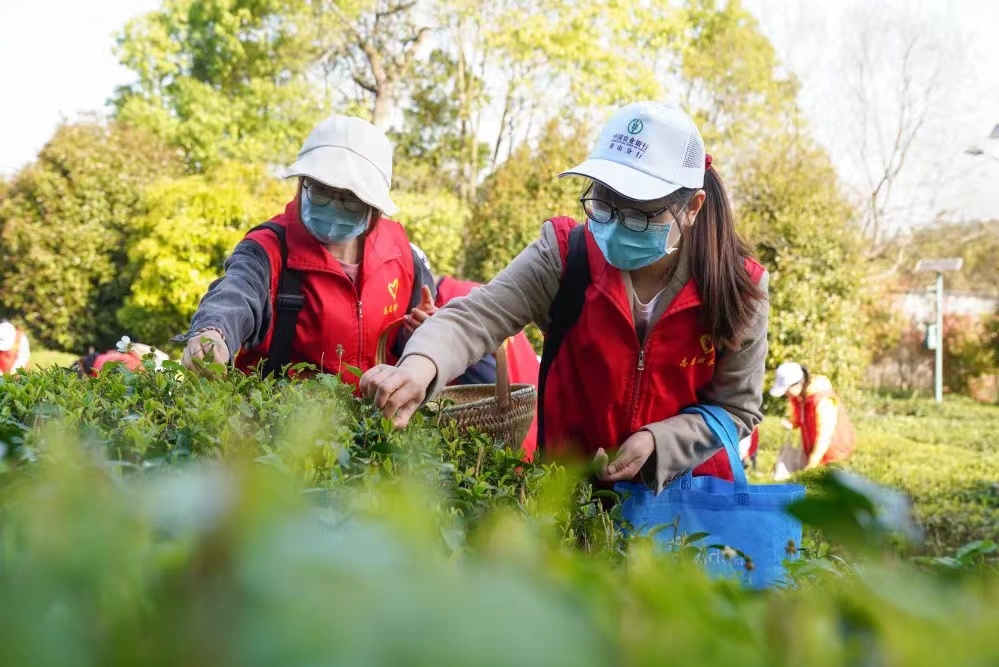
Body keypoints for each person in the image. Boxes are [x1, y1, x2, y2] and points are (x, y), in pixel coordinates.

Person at [360, 102, 769, 492]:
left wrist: (661, 442)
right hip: (571, 495)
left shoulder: (738, 287)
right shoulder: (566, 254)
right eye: (605, 202)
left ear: (692, 206)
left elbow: (737, 409)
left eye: (640, 212)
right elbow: (478, 316)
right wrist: (418, 366)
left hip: (685, 505)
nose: (616, 223)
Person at [175, 114, 460, 387]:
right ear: (302, 185)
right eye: (321, 191)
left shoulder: (404, 258)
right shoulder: (269, 249)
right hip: (278, 427)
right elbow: (234, 294)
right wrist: (213, 331)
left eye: (350, 199)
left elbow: (409, 353)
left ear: (373, 206)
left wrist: (421, 334)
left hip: (373, 429)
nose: (334, 206)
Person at [416, 269, 542, 459]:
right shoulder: (472, 294)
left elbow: (485, 396)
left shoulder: (452, 307)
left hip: (508, 445)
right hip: (532, 425)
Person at [769, 362, 855, 480]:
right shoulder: (798, 397)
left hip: (833, 452)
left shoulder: (821, 400)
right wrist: (792, 423)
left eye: (786, 390)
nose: (785, 394)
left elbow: (825, 435)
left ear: (797, 384)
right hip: (816, 452)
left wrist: (812, 463)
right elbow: (801, 417)